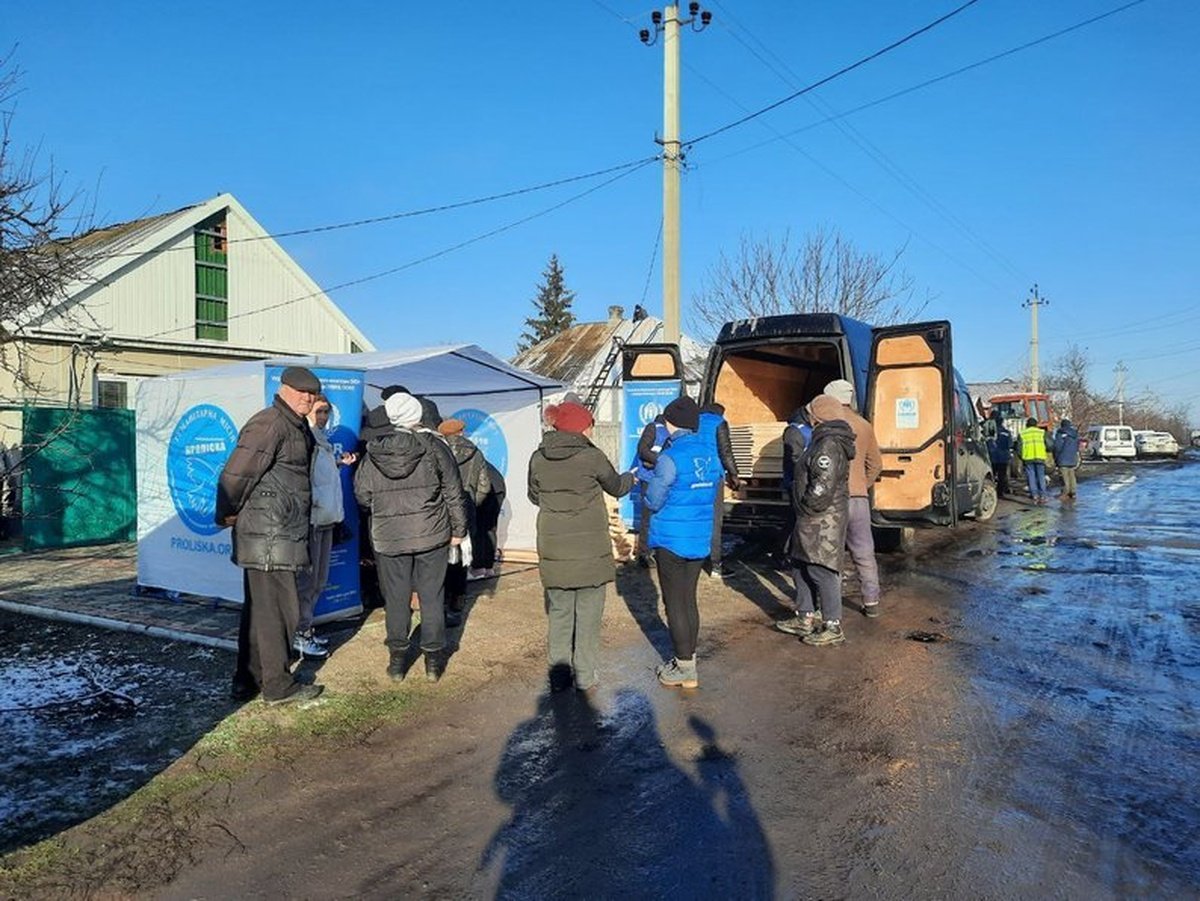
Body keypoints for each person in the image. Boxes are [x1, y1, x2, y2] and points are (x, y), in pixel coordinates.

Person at [215, 366, 324, 705]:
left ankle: (247, 681)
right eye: (301, 392)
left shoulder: (294, 426)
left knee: (261, 611)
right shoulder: (271, 423)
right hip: (269, 534)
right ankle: (278, 686)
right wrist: (226, 513)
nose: (308, 398)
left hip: (277, 533)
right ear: (284, 389)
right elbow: (235, 475)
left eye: (313, 394)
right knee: (280, 611)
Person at [354, 391, 468, 683]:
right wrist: (459, 530)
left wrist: (385, 511)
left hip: (389, 538)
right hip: (431, 533)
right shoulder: (435, 448)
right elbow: (453, 492)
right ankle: (432, 661)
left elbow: (362, 496)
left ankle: (397, 662)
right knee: (432, 596)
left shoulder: (373, 452)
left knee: (395, 598)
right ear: (417, 415)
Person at [528, 400, 635, 692]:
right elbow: (617, 486)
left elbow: (533, 495)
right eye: (590, 424)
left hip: (554, 546)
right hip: (589, 549)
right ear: (581, 427)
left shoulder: (538, 458)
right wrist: (632, 477)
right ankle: (586, 675)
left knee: (560, 613)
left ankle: (559, 677)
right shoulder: (592, 457)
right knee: (588, 615)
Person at [643, 396, 722, 689]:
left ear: (671, 422)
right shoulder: (709, 455)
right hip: (698, 537)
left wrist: (648, 482)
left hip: (671, 539)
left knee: (674, 603)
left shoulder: (670, 457)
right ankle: (690, 657)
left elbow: (654, 499)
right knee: (689, 599)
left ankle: (684, 666)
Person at [783, 394, 857, 647]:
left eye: (811, 412)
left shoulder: (828, 444)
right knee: (800, 564)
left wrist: (806, 506)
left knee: (821, 569)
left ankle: (832, 624)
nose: (808, 416)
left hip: (822, 519)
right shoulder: (823, 440)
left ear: (819, 417)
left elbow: (822, 486)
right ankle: (805, 616)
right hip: (812, 517)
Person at [294, 394, 357, 660]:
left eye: (326, 412)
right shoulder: (305, 439)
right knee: (307, 582)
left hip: (327, 518)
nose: (323, 417)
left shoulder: (322, 440)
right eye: (319, 411)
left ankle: (306, 628)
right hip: (312, 520)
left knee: (319, 580)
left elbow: (321, 473)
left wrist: (339, 462)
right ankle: (299, 633)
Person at [820, 379, 883, 618]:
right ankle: (872, 601)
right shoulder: (864, 425)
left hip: (833, 500)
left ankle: (831, 607)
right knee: (864, 551)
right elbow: (876, 464)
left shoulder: (827, 425)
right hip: (859, 499)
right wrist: (862, 486)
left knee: (831, 553)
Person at [438, 417, 492, 616]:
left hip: (443, 513)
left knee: (441, 558)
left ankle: (441, 602)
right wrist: (471, 504)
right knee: (462, 559)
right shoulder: (475, 452)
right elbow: (485, 485)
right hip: (467, 511)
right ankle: (458, 600)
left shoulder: (438, 452)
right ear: (461, 432)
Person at [697, 403, 742, 576]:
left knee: (696, 516)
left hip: (693, 474)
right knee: (715, 521)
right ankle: (715, 565)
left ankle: (694, 558)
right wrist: (734, 474)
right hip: (713, 476)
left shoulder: (694, 420)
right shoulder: (718, 422)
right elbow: (725, 451)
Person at [633, 413, 670, 567]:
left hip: (660, 478)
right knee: (648, 518)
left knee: (656, 518)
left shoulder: (663, 431)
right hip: (650, 479)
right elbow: (643, 450)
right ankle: (644, 554)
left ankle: (653, 552)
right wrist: (660, 462)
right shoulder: (654, 428)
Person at [470, 461, 507, 579]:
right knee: (490, 528)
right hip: (498, 488)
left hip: (488, 489)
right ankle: (488, 567)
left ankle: (479, 567)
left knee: (479, 529)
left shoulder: (467, 459)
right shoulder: (478, 458)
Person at [1017, 416, 1050, 505]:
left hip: (1028, 458)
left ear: (1027, 425)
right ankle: (1043, 496)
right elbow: (1050, 444)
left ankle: (1034, 495)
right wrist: (1045, 450)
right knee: (1041, 476)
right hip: (1040, 457)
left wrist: (1022, 457)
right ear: (1036, 425)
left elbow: (1019, 448)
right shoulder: (1042, 432)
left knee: (1031, 476)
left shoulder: (1022, 433)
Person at [985, 409, 1013, 497]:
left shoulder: (987, 433)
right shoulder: (1006, 432)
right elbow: (1010, 444)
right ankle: (1000, 493)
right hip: (1003, 458)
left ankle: (991, 492)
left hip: (991, 457)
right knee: (1002, 476)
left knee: (990, 475)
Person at [1052, 417, 1081, 499]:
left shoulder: (1060, 433)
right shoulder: (1074, 434)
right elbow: (1077, 446)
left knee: (1064, 476)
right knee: (1072, 475)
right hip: (1072, 457)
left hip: (1062, 457)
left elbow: (1057, 446)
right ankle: (1073, 492)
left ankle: (1066, 492)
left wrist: (1056, 458)